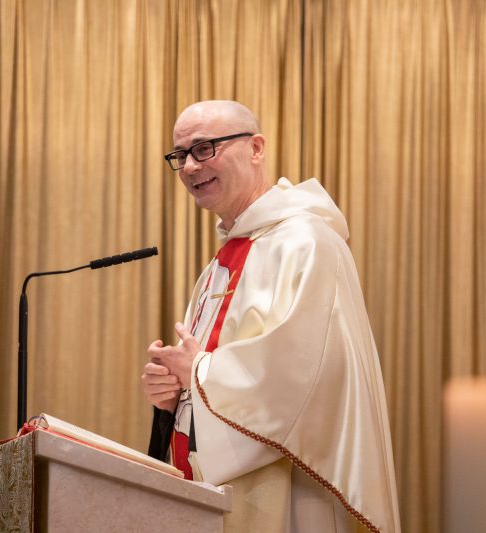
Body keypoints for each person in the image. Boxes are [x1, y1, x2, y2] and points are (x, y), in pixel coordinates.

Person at [141, 100, 400, 533]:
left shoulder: (305, 242)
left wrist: (198, 372)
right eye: (180, 155)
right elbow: (208, 376)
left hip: (290, 493)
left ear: (256, 148)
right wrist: (174, 394)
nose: (189, 167)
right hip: (216, 496)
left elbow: (306, 378)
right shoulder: (222, 262)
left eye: (204, 148)